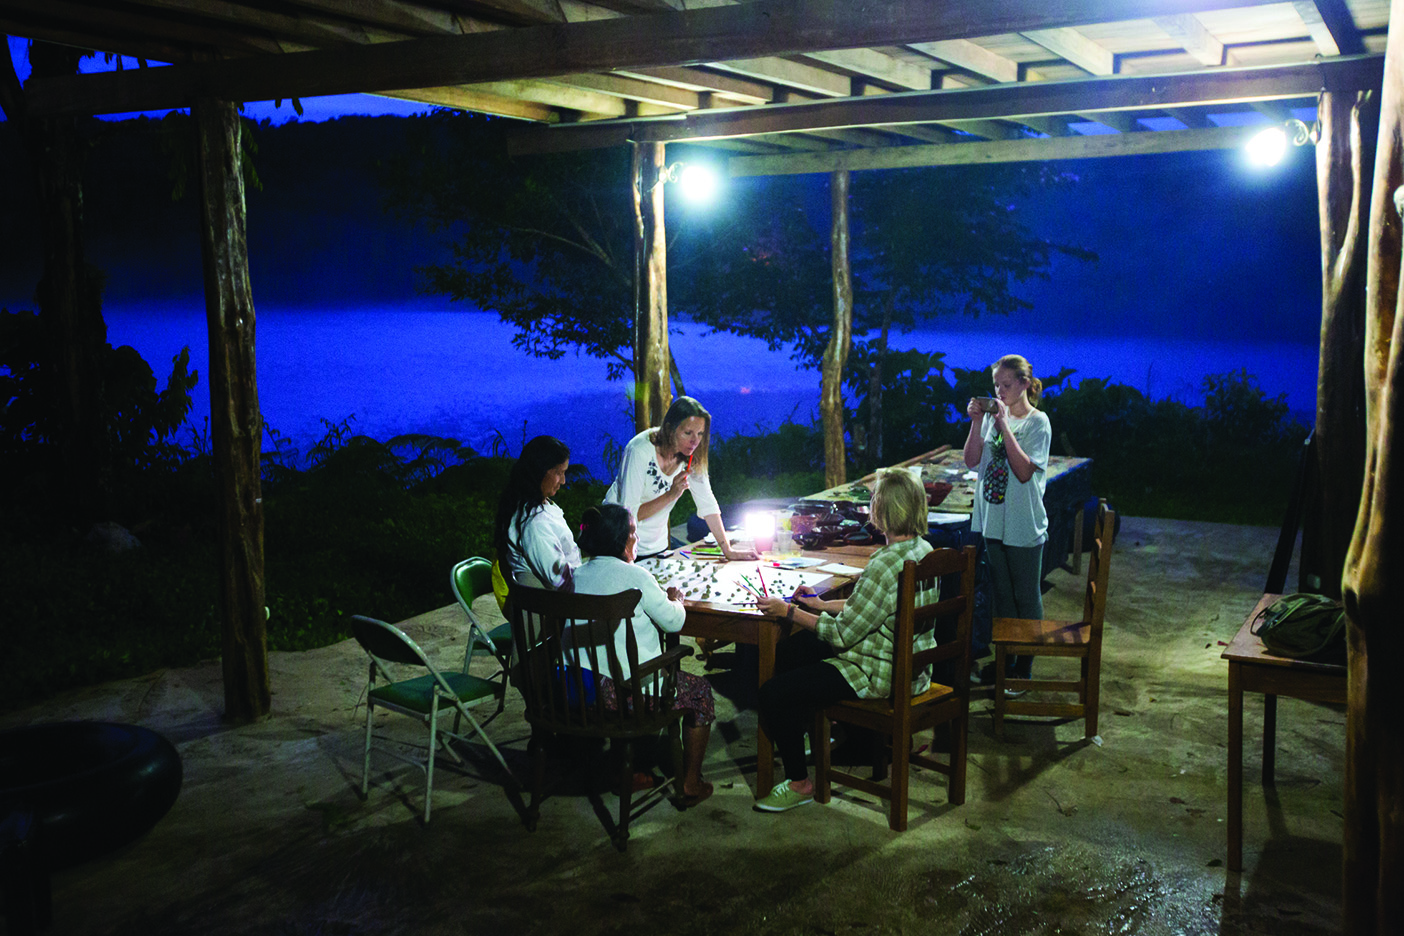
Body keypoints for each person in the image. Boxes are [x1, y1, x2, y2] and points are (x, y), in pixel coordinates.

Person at [752, 468, 935, 813]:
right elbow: (872, 606)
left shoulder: (885, 565)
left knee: (771, 694)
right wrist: (819, 605)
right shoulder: (923, 551)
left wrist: (787, 612)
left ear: (883, 511)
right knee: (792, 651)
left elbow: (841, 634)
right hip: (912, 668)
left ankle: (799, 782)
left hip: (878, 672)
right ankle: (819, 733)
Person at [572, 503, 716, 807]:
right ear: (623, 539)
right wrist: (676, 600)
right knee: (700, 691)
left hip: (581, 691)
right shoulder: (636, 577)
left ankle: (624, 767)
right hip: (620, 695)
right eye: (634, 533)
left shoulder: (576, 576)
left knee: (627, 667)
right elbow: (674, 622)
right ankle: (690, 782)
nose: (636, 539)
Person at [963, 354, 1052, 691]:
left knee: (1026, 596)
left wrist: (1002, 425)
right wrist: (976, 422)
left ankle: (1023, 668)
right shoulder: (991, 418)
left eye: (1006, 385)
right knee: (1002, 595)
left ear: (1025, 384)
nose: (999, 391)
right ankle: (1006, 663)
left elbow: (1024, 469)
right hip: (992, 518)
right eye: (996, 385)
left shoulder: (1037, 422)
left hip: (1022, 521)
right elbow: (972, 461)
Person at [605, 396, 755, 560]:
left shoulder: (691, 457)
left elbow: (707, 503)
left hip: (656, 545)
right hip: (618, 543)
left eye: (700, 434)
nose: (695, 441)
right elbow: (629, 514)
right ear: (669, 429)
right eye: (688, 433)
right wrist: (670, 495)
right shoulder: (639, 451)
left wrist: (728, 550)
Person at [493, 435, 582, 591]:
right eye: (559, 473)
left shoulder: (536, 507)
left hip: (566, 594)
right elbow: (560, 579)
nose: (563, 481)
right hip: (560, 606)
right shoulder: (535, 524)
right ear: (539, 472)